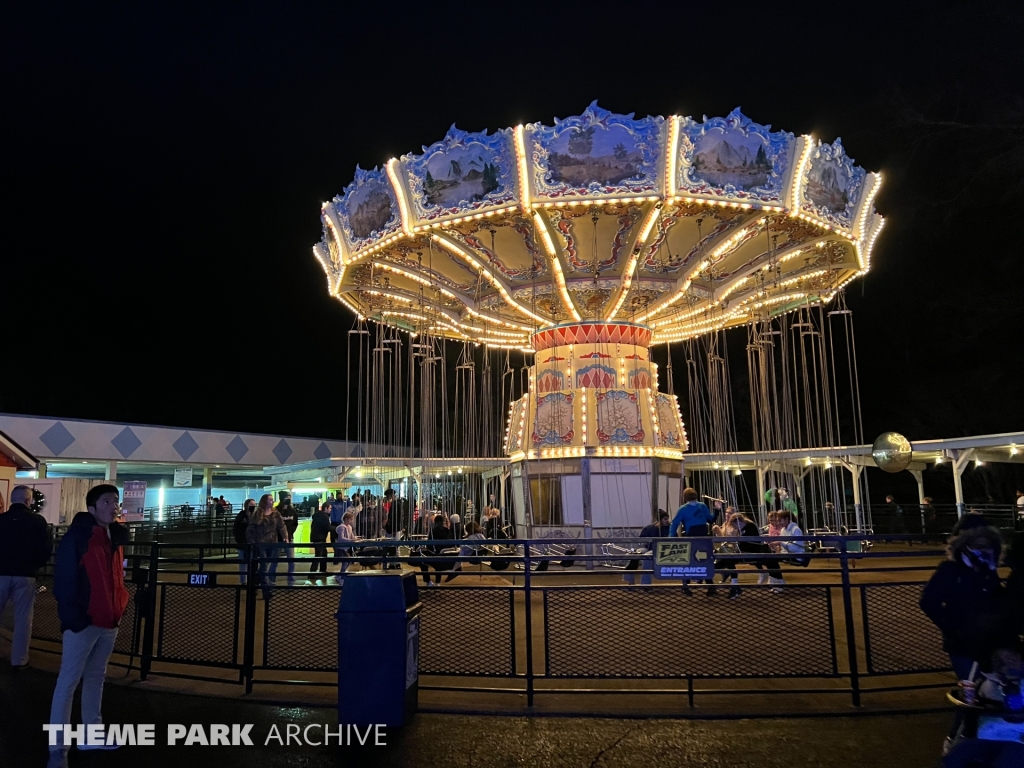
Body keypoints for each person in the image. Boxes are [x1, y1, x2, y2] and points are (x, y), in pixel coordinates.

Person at [47, 484, 130, 762]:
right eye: (107, 501)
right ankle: (57, 746)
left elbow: (116, 577)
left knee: (96, 677)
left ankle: (91, 736)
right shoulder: (79, 538)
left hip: (109, 620)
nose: (113, 506)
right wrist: (76, 618)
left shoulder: (113, 537)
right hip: (85, 622)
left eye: (115, 501)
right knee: (68, 681)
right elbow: (65, 583)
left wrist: (120, 604)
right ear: (92, 508)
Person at [920, 526, 1009, 682]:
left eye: (988, 546)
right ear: (965, 546)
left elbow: (997, 600)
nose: (984, 551)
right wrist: (953, 628)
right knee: (972, 687)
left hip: (990, 641)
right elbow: (928, 602)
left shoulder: (987, 571)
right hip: (962, 642)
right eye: (978, 546)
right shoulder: (949, 570)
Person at [0, 485, 52, 668]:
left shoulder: (2, 520)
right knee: (23, 619)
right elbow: (46, 549)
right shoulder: (38, 521)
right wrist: (35, 565)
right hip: (26, 574)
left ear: (12, 499)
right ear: (28, 500)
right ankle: (19, 660)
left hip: (1, 573)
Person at [670, 488, 716, 595]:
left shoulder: (683, 509)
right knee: (705, 561)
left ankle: (686, 586)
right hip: (704, 537)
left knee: (688, 562)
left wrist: (671, 537)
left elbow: (674, 524)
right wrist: (717, 510)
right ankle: (710, 586)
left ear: (685, 497)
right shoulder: (702, 506)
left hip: (691, 538)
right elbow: (711, 519)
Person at [245, 494, 288, 600]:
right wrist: (252, 541)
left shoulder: (275, 513)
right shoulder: (258, 514)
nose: (272, 502)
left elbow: (282, 526)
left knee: (268, 567)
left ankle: (254, 584)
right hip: (261, 544)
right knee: (264, 567)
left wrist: (285, 537)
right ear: (265, 501)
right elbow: (250, 529)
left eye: (272, 500)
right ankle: (266, 591)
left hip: (273, 543)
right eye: (270, 500)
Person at [624, 510, 671, 586]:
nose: (667, 521)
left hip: (661, 550)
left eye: (667, 519)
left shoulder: (670, 528)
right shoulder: (649, 528)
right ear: (660, 520)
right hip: (649, 548)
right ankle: (630, 580)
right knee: (632, 554)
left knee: (647, 557)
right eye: (665, 519)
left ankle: (645, 584)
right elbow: (641, 540)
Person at [766, 509, 806, 593]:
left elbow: (796, 548)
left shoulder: (796, 529)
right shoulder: (783, 530)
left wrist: (780, 543)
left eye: (780, 520)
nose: (779, 523)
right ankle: (776, 581)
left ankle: (779, 582)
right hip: (787, 554)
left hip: (797, 555)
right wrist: (776, 547)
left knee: (771, 559)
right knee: (769, 559)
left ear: (787, 519)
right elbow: (784, 546)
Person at [276, 494, 299, 586]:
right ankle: (271, 581)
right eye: (286, 498)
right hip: (278, 540)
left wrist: (290, 533)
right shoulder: (277, 511)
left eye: (289, 498)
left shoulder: (292, 511)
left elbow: (295, 523)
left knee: (291, 560)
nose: (288, 500)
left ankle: (291, 581)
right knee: (274, 561)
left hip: (289, 539)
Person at [232, 499, 255, 584]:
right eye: (251, 504)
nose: (252, 506)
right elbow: (236, 528)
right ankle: (243, 582)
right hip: (243, 543)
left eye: (254, 504)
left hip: (253, 543)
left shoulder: (256, 515)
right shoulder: (242, 515)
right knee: (243, 563)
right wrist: (239, 540)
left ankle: (251, 581)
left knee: (252, 563)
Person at [308, 502, 332, 583]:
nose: (330, 510)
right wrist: (336, 529)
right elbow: (328, 527)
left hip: (316, 537)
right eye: (330, 508)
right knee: (319, 555)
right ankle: (313, 573)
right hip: (320, 538)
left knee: (323, 554)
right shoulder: (324, 516)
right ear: (326, 508)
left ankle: (322, 571)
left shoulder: (317, 515)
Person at [333, 511, 359, 584]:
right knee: (345, 563)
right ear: (347, 519)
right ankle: (341, 577)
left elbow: (351, 536)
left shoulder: (349, 527)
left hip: (345, 548)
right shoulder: (342, 527)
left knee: (347, 562)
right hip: (341, 548)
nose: (352, 521)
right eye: (351, 519)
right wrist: (352, 540)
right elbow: (341, 538)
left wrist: (356, 538)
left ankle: (340, 575)